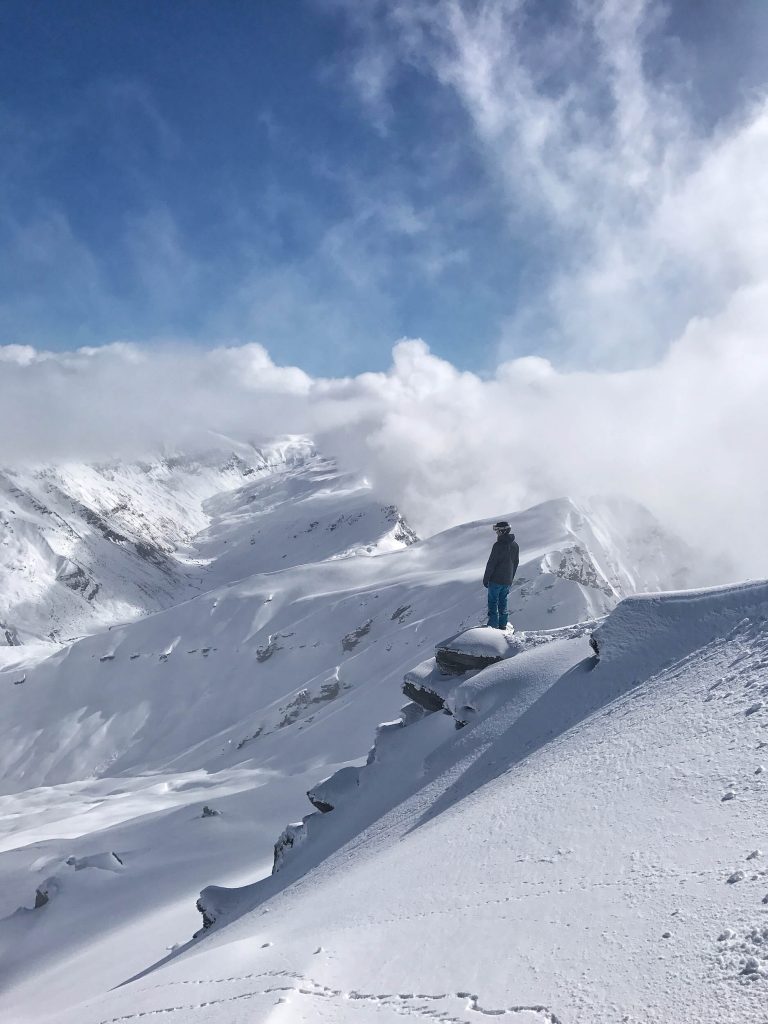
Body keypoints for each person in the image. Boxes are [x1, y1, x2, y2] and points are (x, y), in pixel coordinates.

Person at [483, 521, 519, 630]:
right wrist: (510, 579)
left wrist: (486, 579)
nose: (496, 533)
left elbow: (491, 563)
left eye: (497, 530)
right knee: (503, 602)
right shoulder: (515, 545)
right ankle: (503, 624)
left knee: (493, 602)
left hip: (495, 580)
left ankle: (493, 626)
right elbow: (515, 563)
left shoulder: (498, 545)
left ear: (502, 531)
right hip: (507, 581)